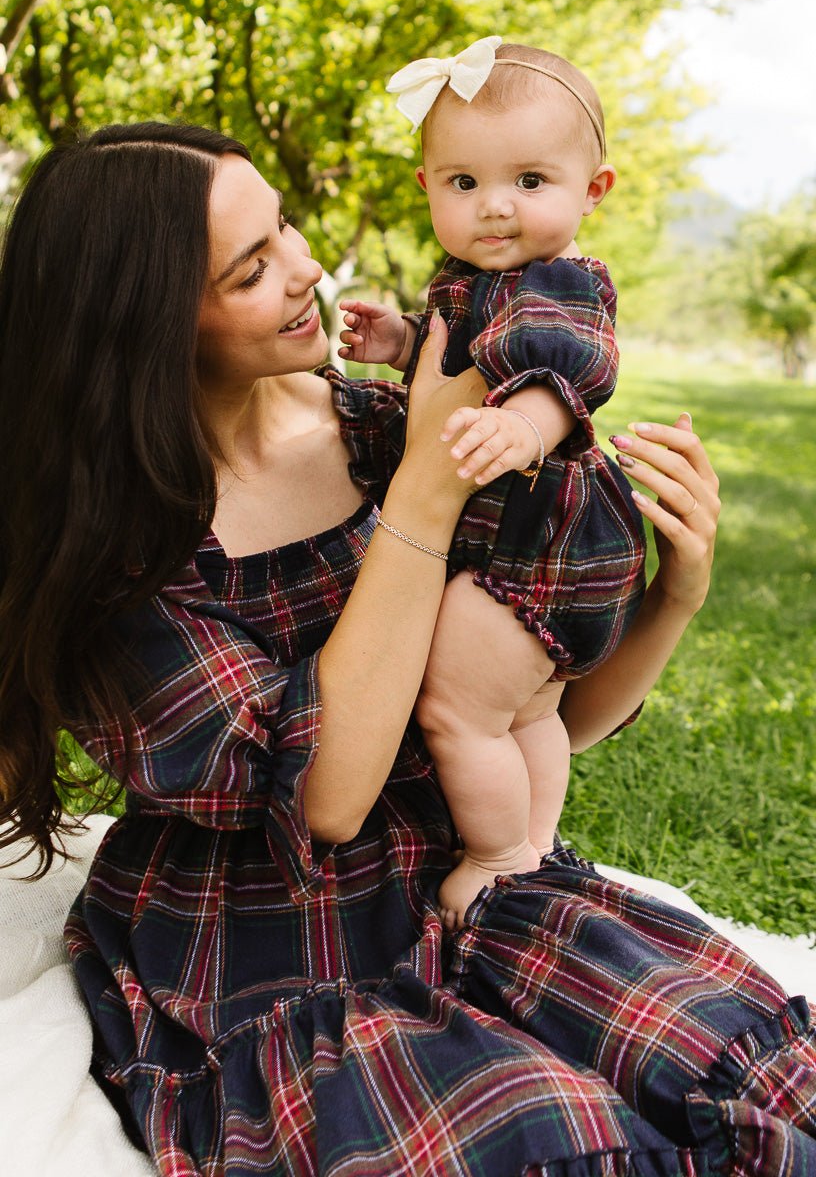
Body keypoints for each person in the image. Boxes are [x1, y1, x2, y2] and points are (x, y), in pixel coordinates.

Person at [1, 121, 814, 1177]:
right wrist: (427, 490)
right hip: (278, 942)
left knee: (761, 1091)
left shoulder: (379, 426)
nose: (303, 272)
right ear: (145, 323)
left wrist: (673, 599)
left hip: (482, 873)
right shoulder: (117, 560)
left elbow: (532, 713)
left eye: (284, 227)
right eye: (252, 270)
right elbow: (329, 799)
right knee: (547, 1140)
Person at [339, 37, 646, 928]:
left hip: (537, 549)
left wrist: (525, 425)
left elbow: (568, 369)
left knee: (457, 707)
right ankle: (539, 846)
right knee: (530, 714)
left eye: (530, 181)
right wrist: (399, 345)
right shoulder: (474, 284)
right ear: (429, 186)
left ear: (594, 191)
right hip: (564, 553)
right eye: (463, 183)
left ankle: (500, 855)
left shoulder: (561, 284)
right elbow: (456, 346)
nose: (496, 208)